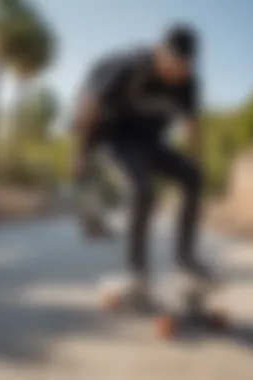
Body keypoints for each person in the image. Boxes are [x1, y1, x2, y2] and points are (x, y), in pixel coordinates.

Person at [72, 23, 210, 311]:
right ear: (159, 52)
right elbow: (90, 106)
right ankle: (137, 275)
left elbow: (192, 126)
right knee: (143, 190)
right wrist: (81, 153)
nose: (176, 73)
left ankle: (185, 264)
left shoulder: (188, 83)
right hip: (115, 138)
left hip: (150, 141)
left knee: (194, 176)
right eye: (172, 65)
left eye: (183, 67)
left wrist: (193, 163)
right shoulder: (126, 67)